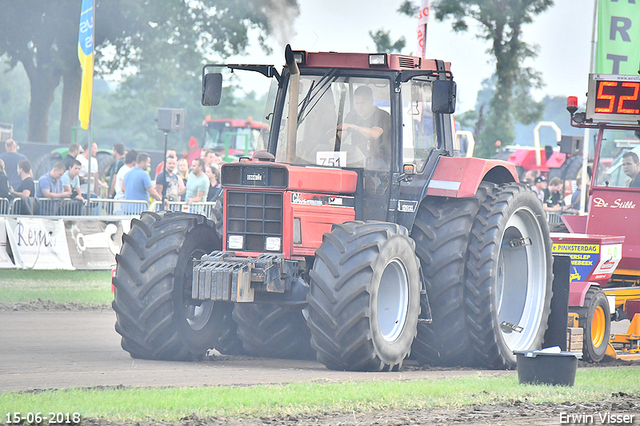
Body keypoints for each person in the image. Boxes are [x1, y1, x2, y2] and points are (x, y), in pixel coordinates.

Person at [337, 86, 391, 169]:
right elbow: (341, 137)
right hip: (356, 159)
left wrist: (353, 126)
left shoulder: (383, 115)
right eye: (357, 103)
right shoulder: (352, 115)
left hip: (380, 161)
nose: (359, 107)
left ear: (371, 101)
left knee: (376, 164)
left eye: (363, 103)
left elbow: (374, 134)